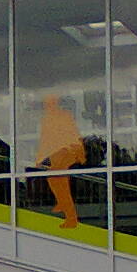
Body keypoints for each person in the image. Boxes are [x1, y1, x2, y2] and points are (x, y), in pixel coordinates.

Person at [36, 95, 86, 229]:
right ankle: (62, 203)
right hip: (56, 153)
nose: (47, 104)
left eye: (50, 101)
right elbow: (44, 140)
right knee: (52, 178)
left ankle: (71, 218)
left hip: (65, 152)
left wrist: (79, 153)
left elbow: (74, 134)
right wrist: (40, 157)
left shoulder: (64, 115)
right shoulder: (46, 118)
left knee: (60, 182)